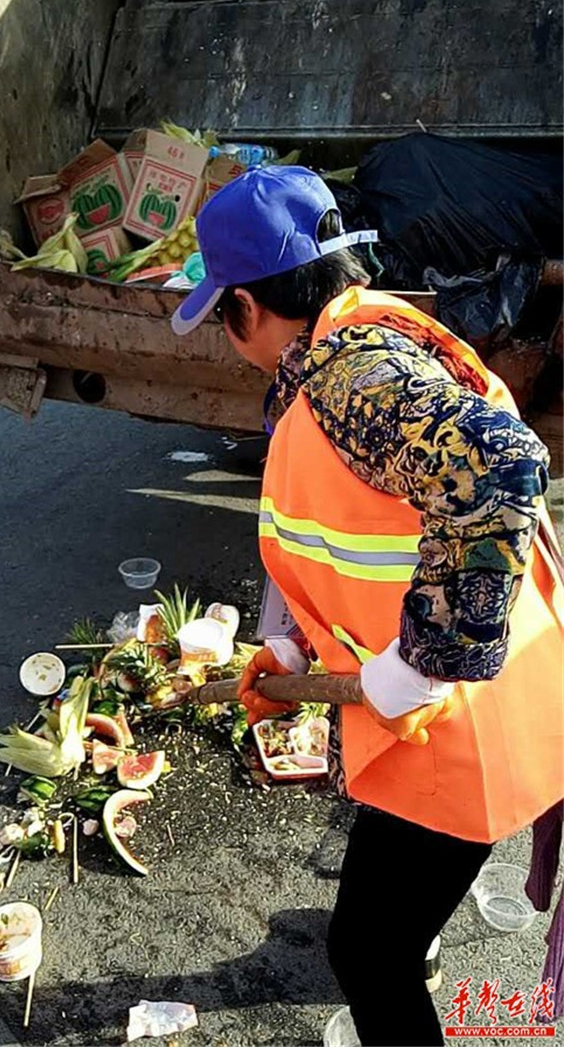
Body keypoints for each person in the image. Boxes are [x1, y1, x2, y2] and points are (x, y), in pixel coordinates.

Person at [172, 165, 564, 1047]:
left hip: (460, 723)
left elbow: (502, 466)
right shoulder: (365, 336)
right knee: (384, 923)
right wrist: (297, 649)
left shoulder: (350, 384)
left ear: (244, 309)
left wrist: (422, 661)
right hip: (488, 694)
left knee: (368, 953)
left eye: (220, 315)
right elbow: (362, 526)